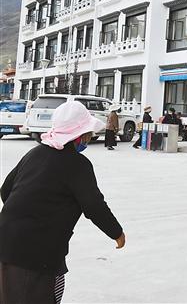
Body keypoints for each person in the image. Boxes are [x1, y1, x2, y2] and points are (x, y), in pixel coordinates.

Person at [0, 101, 125, 304]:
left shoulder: (34, 153)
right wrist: (117, 233)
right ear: (79, 136)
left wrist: (25, 215)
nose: (90, 137)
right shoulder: (78, 164)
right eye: (88, 133)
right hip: (35, 253)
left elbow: (6, 190)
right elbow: (94, 206)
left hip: (7, 240)